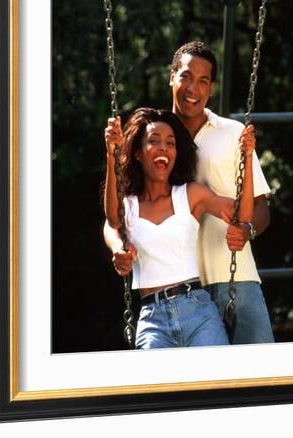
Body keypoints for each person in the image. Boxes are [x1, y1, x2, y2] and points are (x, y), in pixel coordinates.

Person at [105, 41, 274, 344]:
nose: (192, 88)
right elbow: (119, 214)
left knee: (261, 377)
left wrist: (246, 230)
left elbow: (260, 208)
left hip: (233, 275)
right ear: (172, 77)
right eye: (185, 76)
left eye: (203, 81)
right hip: (176, 285)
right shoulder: (157, 138)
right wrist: (118, 246)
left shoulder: (233, 133)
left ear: (211, 88)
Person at [104, 107, 256, 349]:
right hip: (153, 320)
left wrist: (247, 158)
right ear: (138, 154)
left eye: (170, 143)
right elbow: (112, 221)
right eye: (154, 141)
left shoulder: (190, 195)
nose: (164, 147)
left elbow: (243, 214)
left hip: (199, 312)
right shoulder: (129, 206)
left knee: (216, 385)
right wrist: (112, 156)